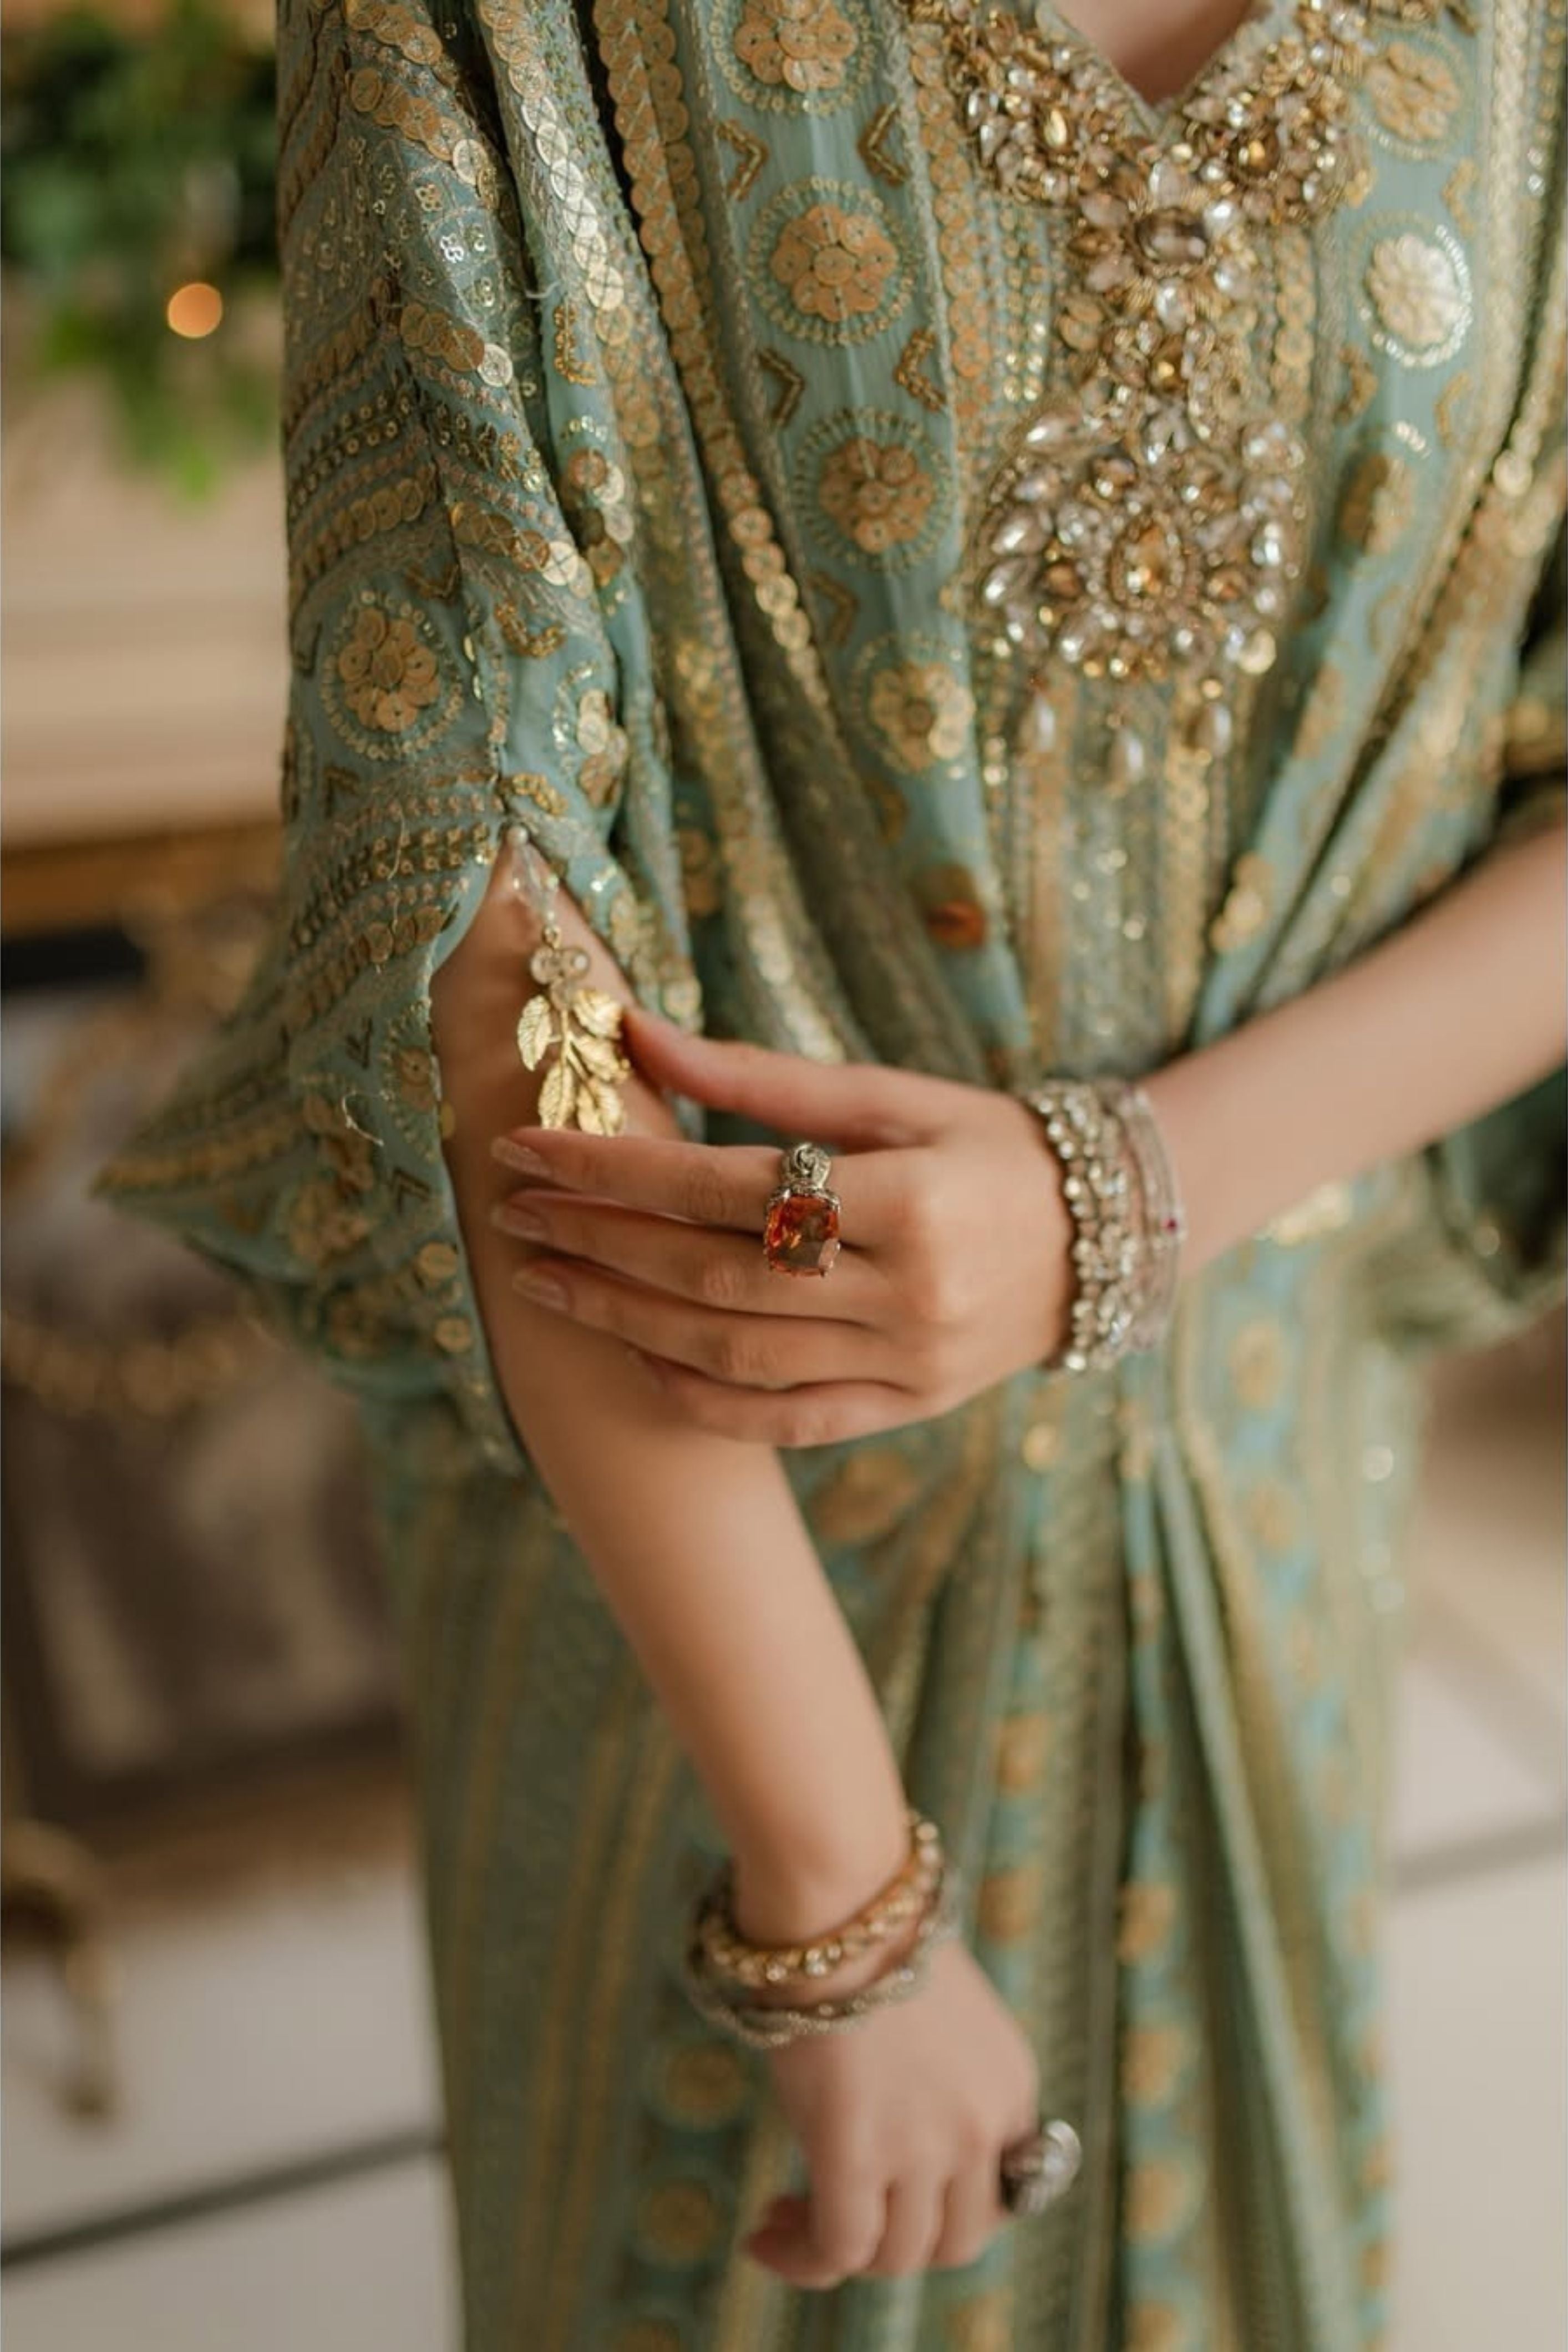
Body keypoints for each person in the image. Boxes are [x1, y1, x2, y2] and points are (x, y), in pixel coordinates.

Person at [92, 0, 1567, 2342]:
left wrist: (1123, 1191)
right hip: (693, 1545)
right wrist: (839, 1905)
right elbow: (473, 913)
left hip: (1265, 1451)